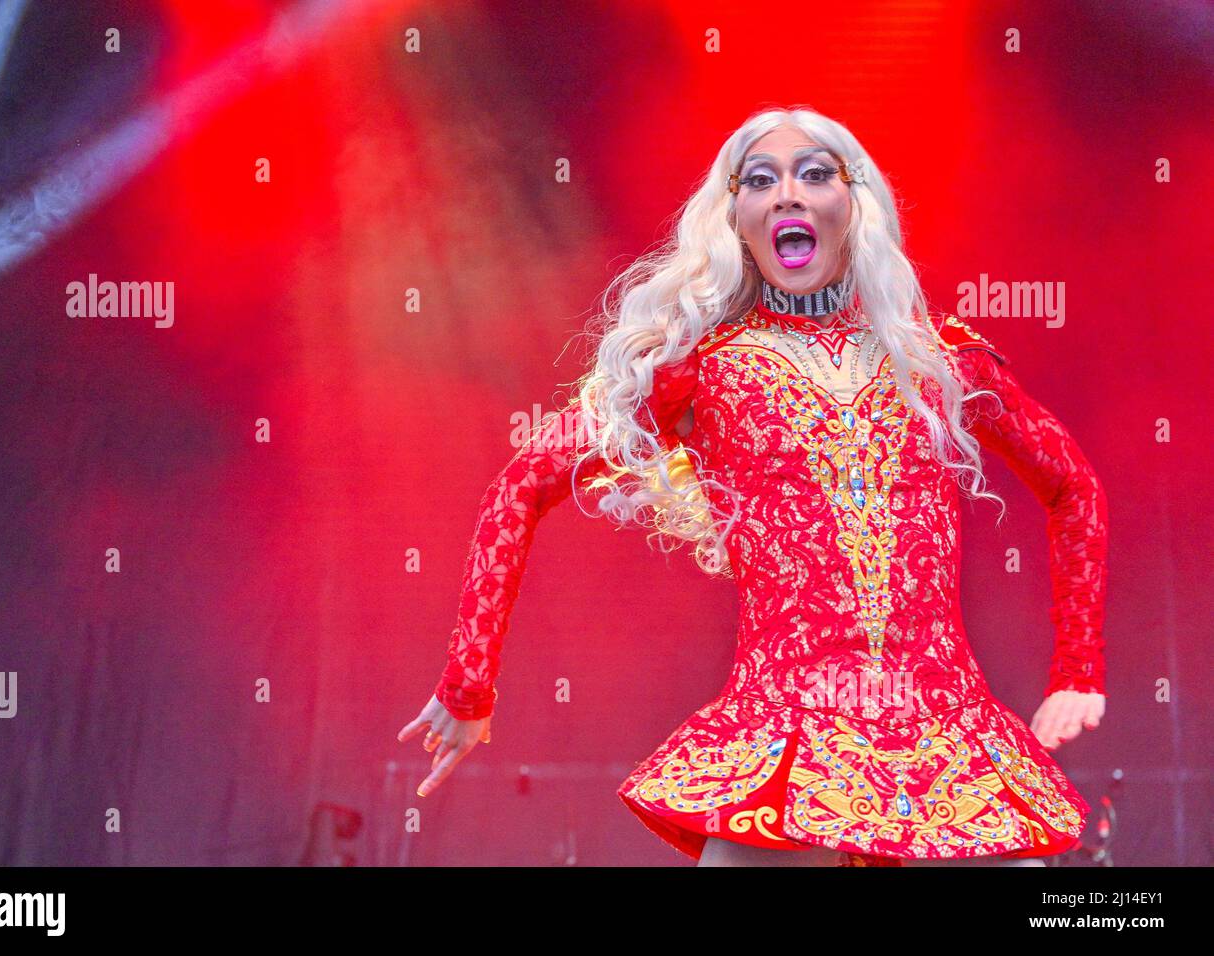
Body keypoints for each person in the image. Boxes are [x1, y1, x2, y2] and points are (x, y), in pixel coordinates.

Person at [397, 107, 1108, 867]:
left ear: (855, 201)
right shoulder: (695, 367)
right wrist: (468, 686)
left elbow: (1074, 489)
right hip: (778, 748)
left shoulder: (941, 361)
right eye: (760, 180)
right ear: (736, 216)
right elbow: (520, 486)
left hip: (950, 745)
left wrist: (1078, 670)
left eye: (814, 174)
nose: (788, 195)